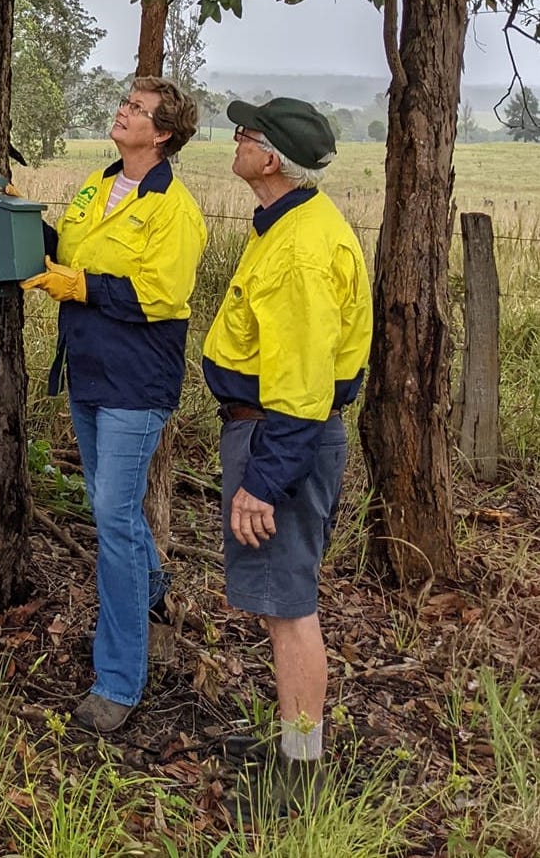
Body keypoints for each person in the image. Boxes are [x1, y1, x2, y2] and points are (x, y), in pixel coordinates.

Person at [202, 97, 371, 808]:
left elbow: (302, 388)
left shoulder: (300, 250)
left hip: (281, 434)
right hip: (274, 428)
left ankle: (302, 773)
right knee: (280, 602)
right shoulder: (289, 223)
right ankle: (293, 743)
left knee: (291, 605)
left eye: (244, 134)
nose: (234, 141)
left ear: (269, 159)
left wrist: (262, 483)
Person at [26, 76, 206, 734]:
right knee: (114, 509)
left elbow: (158, 294)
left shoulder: (174, 208)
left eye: (137, 109)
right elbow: (70, 253)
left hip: (137, 379)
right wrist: (25, 223)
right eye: (126, 104)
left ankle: (119, 681)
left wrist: (76, 285)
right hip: (90, 373)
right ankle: (150, 591)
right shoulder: (98, 187)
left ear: (161, 134)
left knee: (112, 517)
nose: (123, 112)